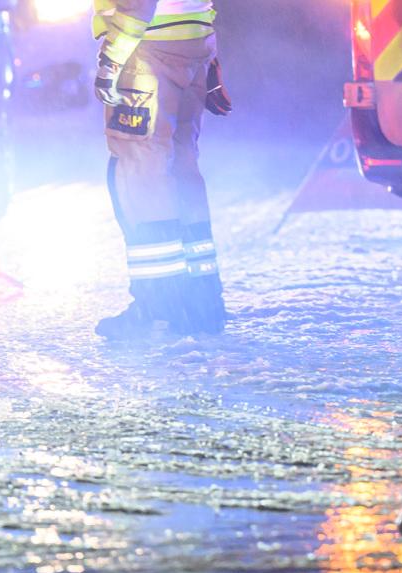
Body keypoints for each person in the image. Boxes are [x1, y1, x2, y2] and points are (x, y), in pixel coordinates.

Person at [92, 0, 234, 340]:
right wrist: (209, 57)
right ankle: (202, 305)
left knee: (142, 172)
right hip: (193, 44)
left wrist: (112, 58)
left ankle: (159, 312)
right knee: (182, 168)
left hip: (146, 48)